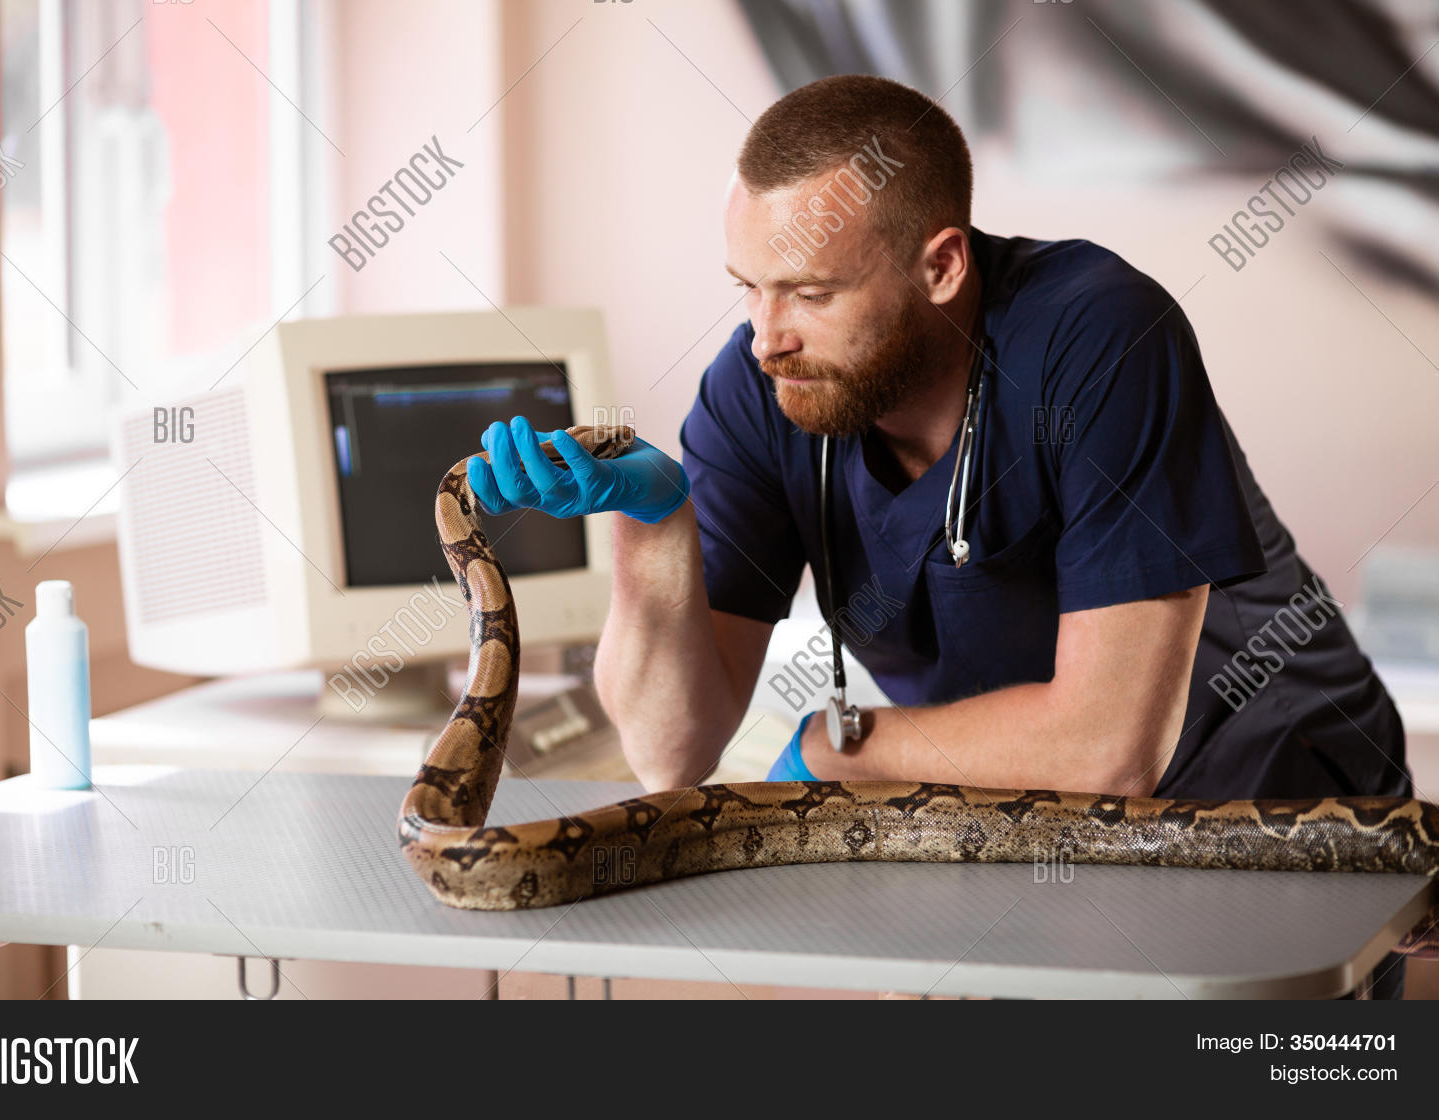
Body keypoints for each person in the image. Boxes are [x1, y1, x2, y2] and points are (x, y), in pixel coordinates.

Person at [468, 75, 1412, 999]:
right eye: (748, 288)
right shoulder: (764, 390)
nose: (766, 337)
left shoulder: (1102, 336)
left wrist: (846, 747)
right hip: (1027, 823)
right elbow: (671, 753)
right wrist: (653, 528)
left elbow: (1108, 750)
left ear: (942, 266)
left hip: (1269, 800)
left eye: (809, 292)